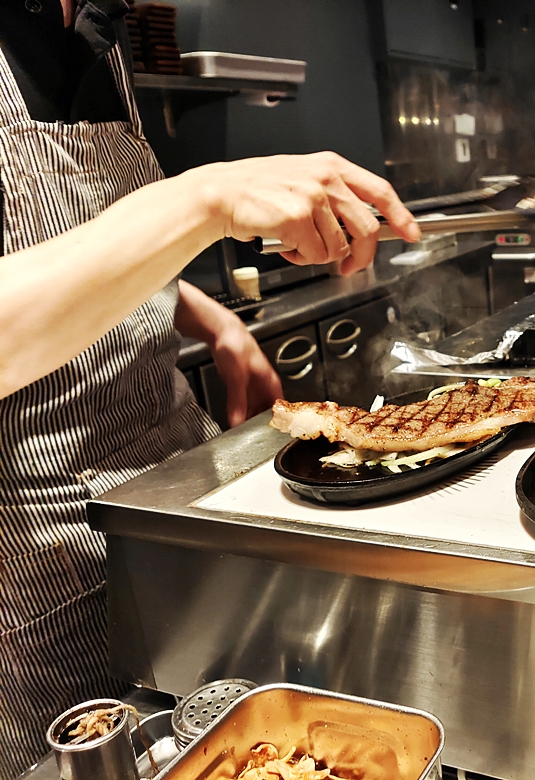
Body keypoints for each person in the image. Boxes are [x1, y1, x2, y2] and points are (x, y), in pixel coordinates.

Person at [0, 1, 420, 776]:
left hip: (172, 509)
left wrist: (216, 324)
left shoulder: (98, 27)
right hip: (31, 572)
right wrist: (201, 199)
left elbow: (73, 240)